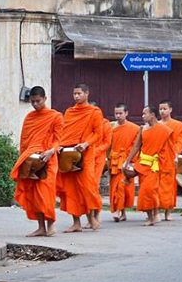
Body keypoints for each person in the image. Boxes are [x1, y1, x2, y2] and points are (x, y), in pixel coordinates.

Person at [11, 86, 63, 237]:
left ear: (45, 99)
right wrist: (24, 159)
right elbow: (24, 140)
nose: (35, 104)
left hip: (49, 158)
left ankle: (51, 223)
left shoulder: (56, 116)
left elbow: (59, 139)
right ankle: (41, 227)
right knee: (34, 195)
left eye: (38, 101)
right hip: (31, 160)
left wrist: (51, 151)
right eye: (32, 102)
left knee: (46, 193)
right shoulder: (30, 117)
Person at [57, 84, 103, 232]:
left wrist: (85, 144)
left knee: (87, 187)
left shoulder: (94, 112)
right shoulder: (69, 112)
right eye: (74, 94)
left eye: (79, 93)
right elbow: (64, 131)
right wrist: (59, 146)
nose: (76, 96)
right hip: (69, 154)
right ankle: (76, 223)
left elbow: (98, 134)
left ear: (87, 94)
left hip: (86, 154)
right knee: (71, 189)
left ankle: (91, 219)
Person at [124, 105, 173, 226]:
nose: (142, 116)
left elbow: (169, 149)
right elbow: (136, 146)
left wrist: (166, 163)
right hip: (143, 164)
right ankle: (151, 216)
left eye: (144, 113)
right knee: (144, 192)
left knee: (149, 190)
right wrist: (127, 160)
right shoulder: (143, 129)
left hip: (154, 165)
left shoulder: (164, 130)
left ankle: (154, 215)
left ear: (152, 115)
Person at [109, 103, 139, 222]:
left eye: (120, 113)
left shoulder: (135, 128)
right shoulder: (111, 127)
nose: (118, 116)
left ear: (126, 113)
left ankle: (119, 211)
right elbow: (109, 144)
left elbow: (136, 146)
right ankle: (121, 212)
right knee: (115, 187)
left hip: (127, 161)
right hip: (115, 161)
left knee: (122, 187)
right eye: (116, 113)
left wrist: (130, 160)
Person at [158, 100, 182, 220]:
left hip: (170, 158)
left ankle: (168, 212)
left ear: (170, 110)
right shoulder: (156, 125)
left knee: (169, 186)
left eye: (165, 109)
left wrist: (175, 154)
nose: (162, 111)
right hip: (157, 158)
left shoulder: (178, 125)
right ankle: (156, 211)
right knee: (157, 185)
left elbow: (180, 141)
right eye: (160, 109)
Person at [83, 116, 112, 229]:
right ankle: (89, 218)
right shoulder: (85, 123)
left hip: (98, 159)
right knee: (86, 188)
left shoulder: (105, 124)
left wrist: (95, 151)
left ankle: (96, 215)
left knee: (94, 186)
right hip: (85, 158)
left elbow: (107, 142)